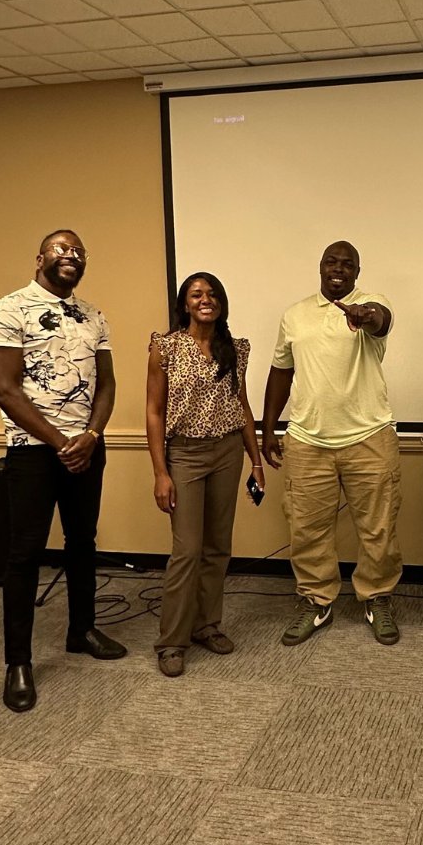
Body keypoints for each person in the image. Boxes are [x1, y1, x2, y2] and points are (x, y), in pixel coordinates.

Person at [0, 229, 125, 713]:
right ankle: (17, 662)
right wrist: (61, 441)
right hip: (33, 451)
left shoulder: (93, 314)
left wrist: (92, 435)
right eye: (63, 248)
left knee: (82, 541)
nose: (72, 255)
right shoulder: (9, 309)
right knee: (25, 553)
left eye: (80, 251)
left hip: (86, 446)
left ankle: (81, 630)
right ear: (40, 256)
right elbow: (4, 390)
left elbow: (107, 384)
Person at [262, 241, 402, 647]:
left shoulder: (371, 305)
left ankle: (377, 598)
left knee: (378, 528)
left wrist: (366, 316)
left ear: (357, 272)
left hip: (369, 437)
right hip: (307, 440)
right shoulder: (295, 315)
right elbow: (280, 372)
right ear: (320, 267)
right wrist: (269, 429)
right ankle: (316, 601)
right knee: (306, 529)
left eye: (347, 265)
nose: (338, 269)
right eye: (331, 262)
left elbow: (382, 320)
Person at [145, 273, 264, 678]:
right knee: (187, 551)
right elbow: (154, 412)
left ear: (222, 303)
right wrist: (161, 471)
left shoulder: (235, 348)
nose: (205, 299)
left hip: (228, 451)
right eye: (196, 294)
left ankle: (206, 625)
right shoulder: (165, 348)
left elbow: (241, 404)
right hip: (186, 454)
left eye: (212, 294)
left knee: (217, 547)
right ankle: (171, 642)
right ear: (184, 304)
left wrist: (257, 461)